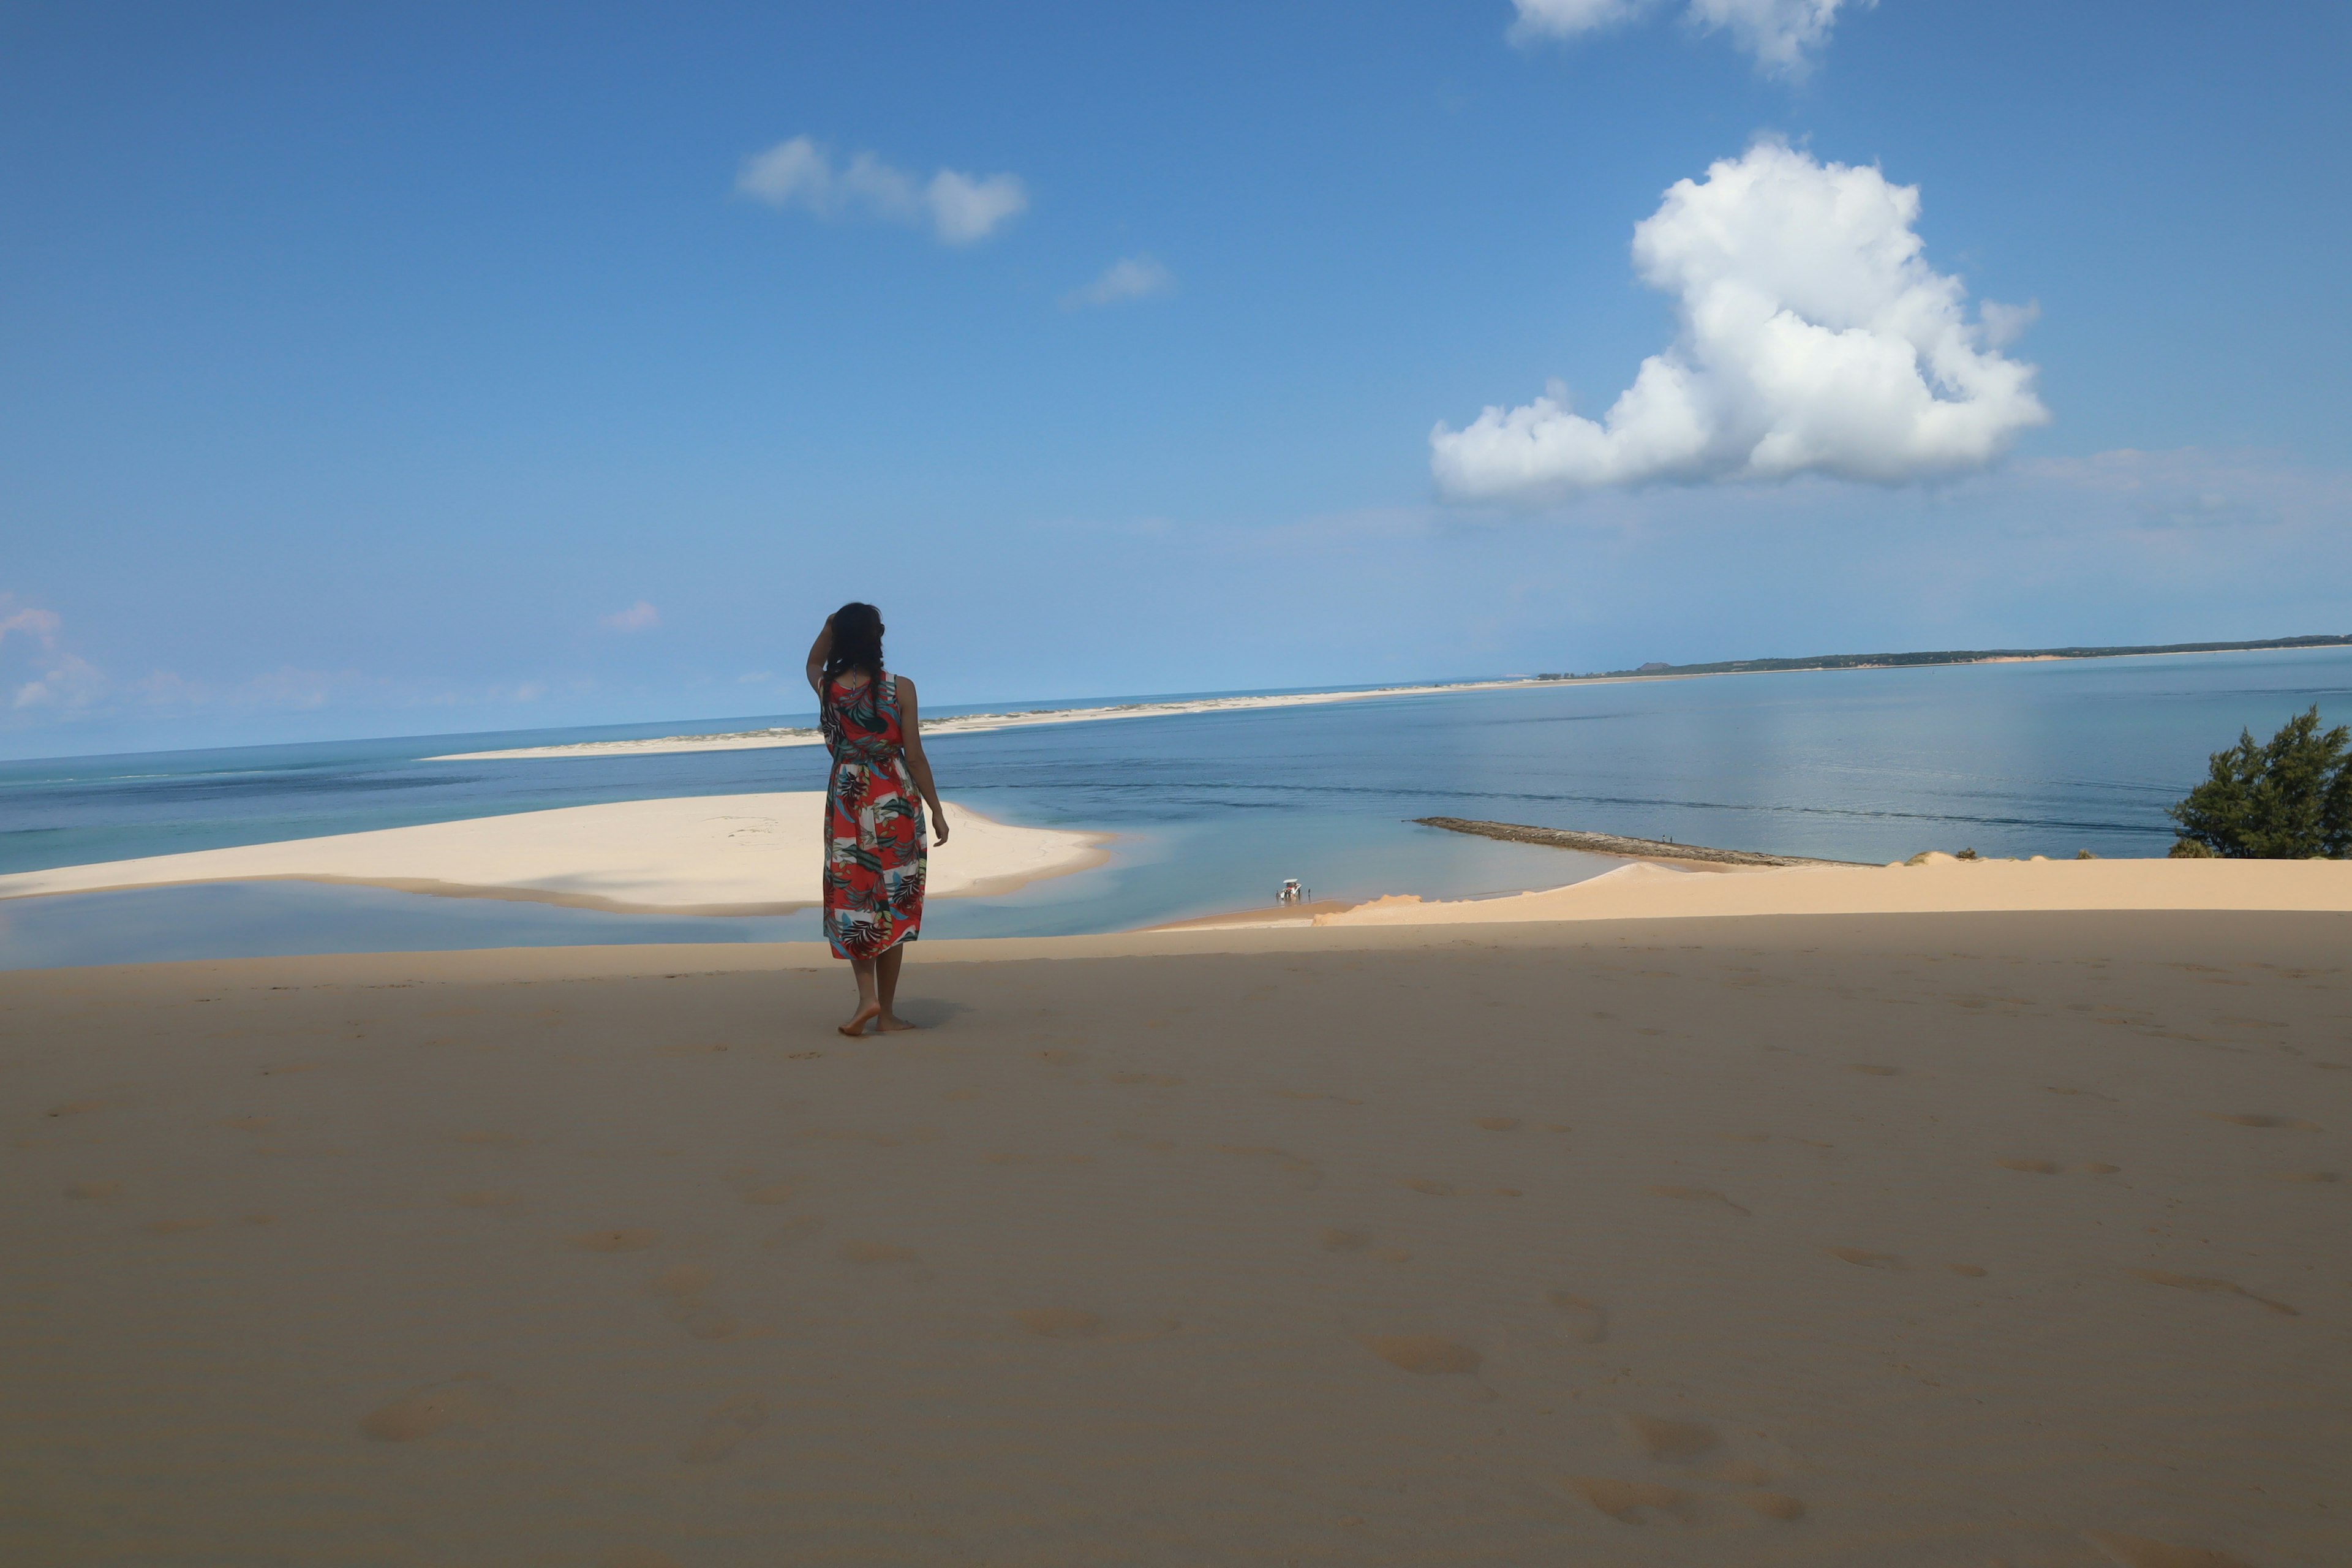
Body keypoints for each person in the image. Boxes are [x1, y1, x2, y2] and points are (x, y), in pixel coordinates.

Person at [805, 603, 948, 1036]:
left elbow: (812, 661)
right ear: (879, 637)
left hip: (848, 802)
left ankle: (868, 1001)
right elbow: (916, 756)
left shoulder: (828, 687)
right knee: (894, 902)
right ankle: (885, 1013)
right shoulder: (899, 688)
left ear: (840, 638)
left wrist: (830, 626)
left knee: (856, 898)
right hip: (894, 798)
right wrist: (937, 810)